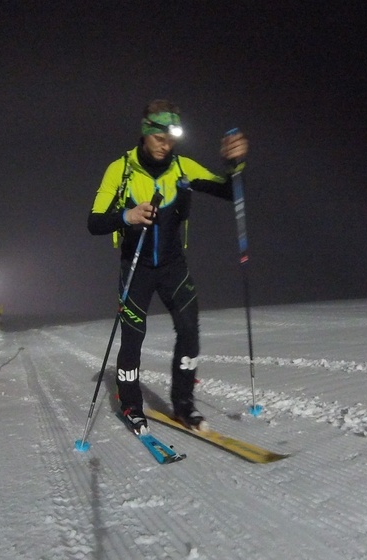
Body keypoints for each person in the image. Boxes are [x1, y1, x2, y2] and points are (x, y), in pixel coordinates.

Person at [87, 99, 249, 435]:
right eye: (159, 136)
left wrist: (235, 164)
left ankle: (183, 404)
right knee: (133, 339)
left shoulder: (183, 167)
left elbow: (230, 192)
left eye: (171, 137)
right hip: (137, 269)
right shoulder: (121, 170)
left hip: (174, 267)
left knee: (190, 332)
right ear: (145, 132)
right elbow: (94, 222)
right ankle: (131, 405)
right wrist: (127, 216)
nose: (166, 143)